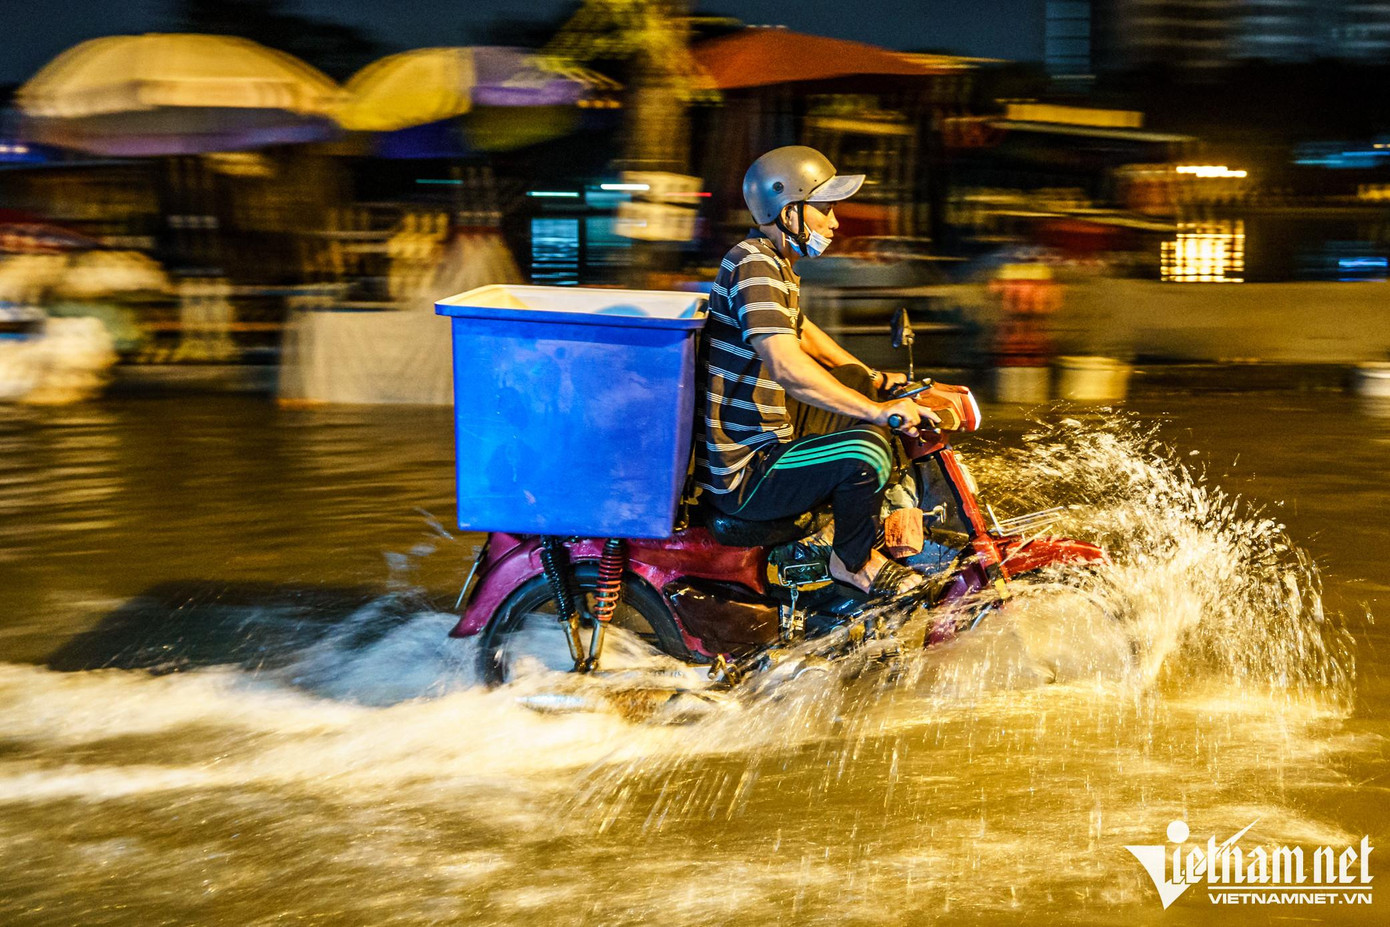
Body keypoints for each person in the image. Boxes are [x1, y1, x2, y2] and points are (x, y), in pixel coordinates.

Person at [694, 146, 936, 597]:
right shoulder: (753, 262)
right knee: (868, 450)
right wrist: (878, 412)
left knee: (864, 407)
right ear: (787, 210)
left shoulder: (775, 263)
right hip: (746, 472)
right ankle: (853, 564)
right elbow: (788, 366)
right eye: (825, 208)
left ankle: (861, 539)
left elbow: (801, 331)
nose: (835, 221)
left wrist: (875, 381)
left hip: (765, 446)